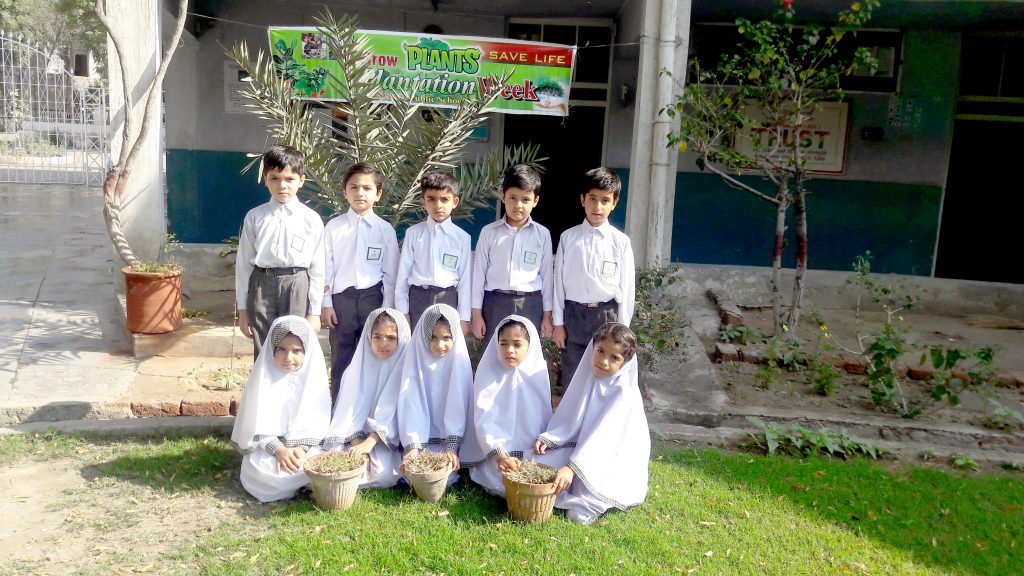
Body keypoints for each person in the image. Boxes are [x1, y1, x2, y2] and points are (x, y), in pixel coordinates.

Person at [533, 323, 649, 525]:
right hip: (581, 450)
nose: (604, 361)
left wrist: (571, 468)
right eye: (600, 351)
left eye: (614, 358)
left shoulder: (622, 393)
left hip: (610, 460)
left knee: (578, 513)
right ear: (592, 348)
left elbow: (603, 439)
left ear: (625, 363)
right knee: (534, 463)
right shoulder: (588, 377)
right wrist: (551, 438)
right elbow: (570, 415)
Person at [235, 145, 325, 357]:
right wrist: (243, 309)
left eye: (289, 179)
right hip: (262, 284)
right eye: (274, 178)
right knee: (264, 345)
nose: (282, 185)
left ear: (301, 181)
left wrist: (314, 312)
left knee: (294, 343)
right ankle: (264, 379)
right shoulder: (255, 217)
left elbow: (318, 268)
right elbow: (243, 264)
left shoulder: (310, 219)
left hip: (297, 284)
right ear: (265, 179)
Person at [230, 315, 332, 503]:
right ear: (272, 348)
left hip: (306, 448)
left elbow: (318, 423)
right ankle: (305, 482)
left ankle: (303, 479)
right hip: (269, 449)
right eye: (281, 349)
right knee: (263, 473)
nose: (288, 358)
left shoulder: (313, 379)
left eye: (297, 351)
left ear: (307, 351)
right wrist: (279, 450)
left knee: (320, 462)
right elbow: (255, 426)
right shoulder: (262, 379)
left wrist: (301, 449)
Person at [551, 167, 635, 390]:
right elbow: (558, 284)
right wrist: (558, 323)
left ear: (614, 202)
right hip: (574, 316)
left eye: (605, 200)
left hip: (606, 315)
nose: (598, 207)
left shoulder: (620, 242)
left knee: (604, 377)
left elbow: (627, 288)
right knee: (573, 374)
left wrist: (623, 328)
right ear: (582, 200)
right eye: (592, 199)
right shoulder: (568, 238)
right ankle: (572, 413)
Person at [321, 163, 399, 398]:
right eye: (353, 187)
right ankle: (339, 407)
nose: (360, 193)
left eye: (367, 188)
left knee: (374, 355)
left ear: (378, 194)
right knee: (341, 356)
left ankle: (371, 407)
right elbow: (326, 268)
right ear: (344, 191)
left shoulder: (385, 230)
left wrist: (387, 309)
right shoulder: (334, 227)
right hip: (341, 301)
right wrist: (327, 304)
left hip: (373, 299)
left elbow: (391, 273)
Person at [461, 315, 553, 497]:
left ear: (530, 346)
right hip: (495, 452)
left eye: (517, 344)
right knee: (499, 481)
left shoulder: (537, 376)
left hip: (531, 453)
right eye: (503, 344)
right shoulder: (488, 374)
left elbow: (542, 419)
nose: (509, 350)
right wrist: (500, 455)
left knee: (537, 473)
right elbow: (483, 419)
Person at [322, 308, 410, 488]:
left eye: (391, 337)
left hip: (385, 440)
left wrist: (370, 443)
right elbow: (349, 410)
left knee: (385, 474)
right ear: (368, 336)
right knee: (338, 462)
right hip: (354, 436)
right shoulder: (355, 369)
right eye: (377, 336)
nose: (383, 343)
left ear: (401, 338)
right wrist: (358, 446)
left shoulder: (407, 371)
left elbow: (397, 414)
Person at [470, 165, 553, 345]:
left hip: (530, 303)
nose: (518, 205)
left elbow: (547, 277)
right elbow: (478, 275)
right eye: (513, 198)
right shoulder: (489, 232)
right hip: (495, 303)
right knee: (493, 351)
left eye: (526, 199)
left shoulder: (542, 235)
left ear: (535, 200)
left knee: (526, 353)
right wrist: (476, 315)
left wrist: (547, 316)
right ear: (503, 196)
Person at [395, 304, 473, 485]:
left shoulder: (459, 363)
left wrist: (452, 447)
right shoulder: (414, 360)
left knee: (445, 475)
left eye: (447, 338)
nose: (440, 345)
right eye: (433, 337)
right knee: (413, 472)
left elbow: (459, 404)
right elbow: (410, 402)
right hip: (418, 441)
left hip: (450, 443)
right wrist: (413, 446)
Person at [395, 172, 472, 334]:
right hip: (418, 298)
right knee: (416, 343)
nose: (438, 205)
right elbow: (403, 275)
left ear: (455, 202)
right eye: (431, 199)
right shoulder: (413, 233)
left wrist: (464, 317)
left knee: (444, 344)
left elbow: (465, 280)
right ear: (423, 201)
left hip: (448, 298)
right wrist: (403, 311)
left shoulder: (462, 238)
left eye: (444, 199)